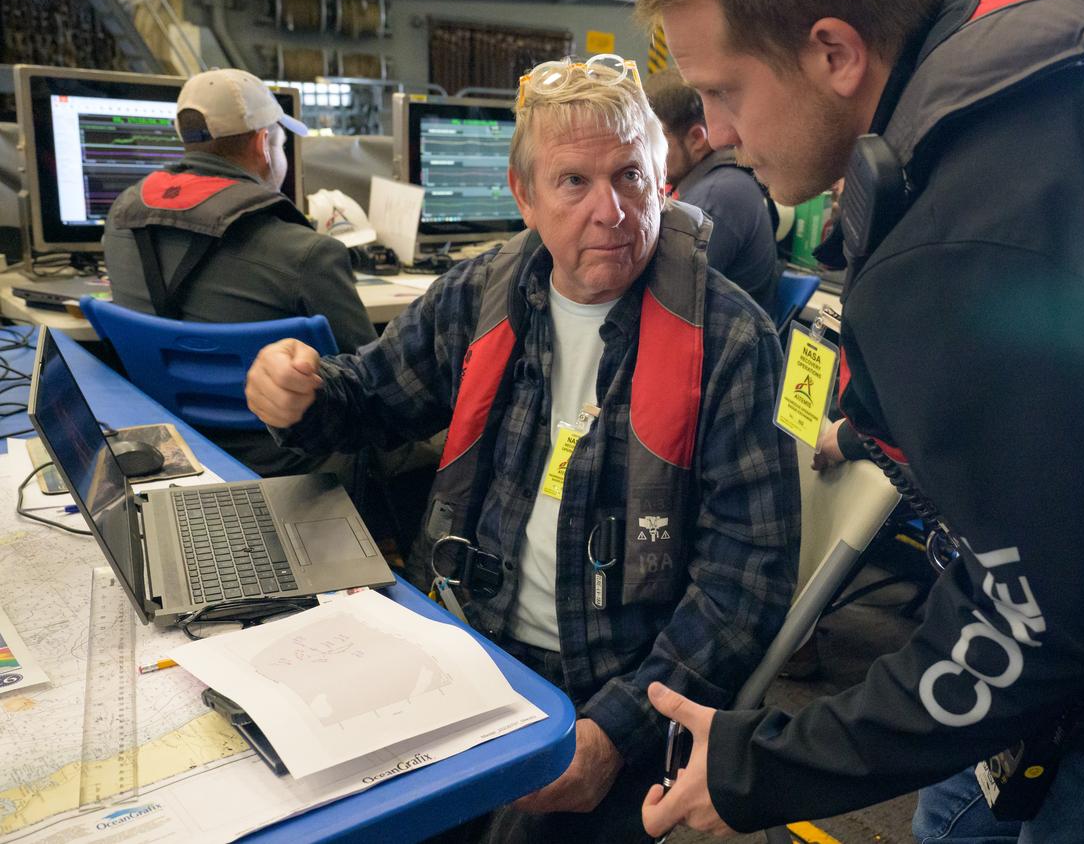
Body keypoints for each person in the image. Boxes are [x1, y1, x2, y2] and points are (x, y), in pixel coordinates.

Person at [634, 0, 1084, 841]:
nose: (712, 130)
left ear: (835, 52)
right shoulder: (1053, 95)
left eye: (725, 90)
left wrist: (762, 769)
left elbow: (1035, 630)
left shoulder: (965, 238)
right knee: (952, 817)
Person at [244, 55, 799, 843]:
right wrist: (298, 393)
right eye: (574, 182)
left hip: (615, 686)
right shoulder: (480, 294)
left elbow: (747, 583)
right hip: (464, 650)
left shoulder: (732, 340)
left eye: (631, 177)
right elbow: (366, 402)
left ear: (663, 180)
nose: (611, 210)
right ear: (525, 197)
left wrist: (613, 734)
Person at [103, 68, 376, 475]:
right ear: (264, 144)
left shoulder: (121, 219)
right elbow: (373, 388)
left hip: (174, 449)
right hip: (297, 463)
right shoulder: (310, 253)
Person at [645, 68, 780, 313]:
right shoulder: (716, 182)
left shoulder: (714, 199)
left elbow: (665, 297)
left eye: (655, 140)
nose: (646, 153)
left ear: (697, 138)